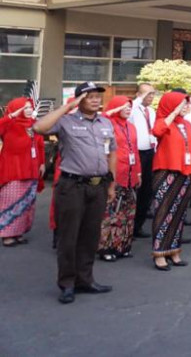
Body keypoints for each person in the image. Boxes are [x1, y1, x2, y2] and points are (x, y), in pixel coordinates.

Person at [34, 82, 116, 304]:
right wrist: (67, 107)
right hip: (72, 187)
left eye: (98, 96)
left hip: (97, 186)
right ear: (79, 100)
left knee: (90, 237)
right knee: (69, 237)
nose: (96, 100)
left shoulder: (106, 123)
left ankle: (85, 280)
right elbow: (39, 127)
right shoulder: (66, 122)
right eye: (89, 97)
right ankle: (67, 283)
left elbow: (112, 154)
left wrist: (111, 184)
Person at [150, 90, 191, 271]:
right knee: (163, 212)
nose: (187, 107)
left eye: (187, 104)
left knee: (179, 213)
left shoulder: (187, 125)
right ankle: (160, 252)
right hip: (166, 172)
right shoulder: (164, 122)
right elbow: (157, 131)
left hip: (185, 172)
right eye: (182, 104)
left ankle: (174, 250)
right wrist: (174, 112)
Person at [97, 97, 140, 262]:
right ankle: (106, 247)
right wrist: (112, 111)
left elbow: (135, 151)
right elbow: (100, 119)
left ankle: (123, 246)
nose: (128, 108)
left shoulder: (131, 127)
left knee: (128, 213)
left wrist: (138, 173)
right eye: (124, 106)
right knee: (111, 213)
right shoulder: (108, 125)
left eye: (130, 106)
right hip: (115, 174)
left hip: (131, 174)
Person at [0, 97, 45, 247]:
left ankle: (18, 232)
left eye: (29, 107)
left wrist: (42, 163)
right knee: (10, 202)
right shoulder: (9, 125)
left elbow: (39, 145)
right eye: (24, 108)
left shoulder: (34, 125)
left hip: (31, 168)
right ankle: (7, 235)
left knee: (27, 203)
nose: (28, 110)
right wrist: (11, 115)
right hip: (13, 169)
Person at [129, 83, 157, 239]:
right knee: (135, 189)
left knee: (147, 189)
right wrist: (140, 98)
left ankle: (138, 225)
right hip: (137, 153)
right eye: (147, 94)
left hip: (150, 151)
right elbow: (132, 107)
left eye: (153, 94)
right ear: (138, 94)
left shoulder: (151, 111)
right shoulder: (133, 109)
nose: (151, 97)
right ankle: (129, 226)